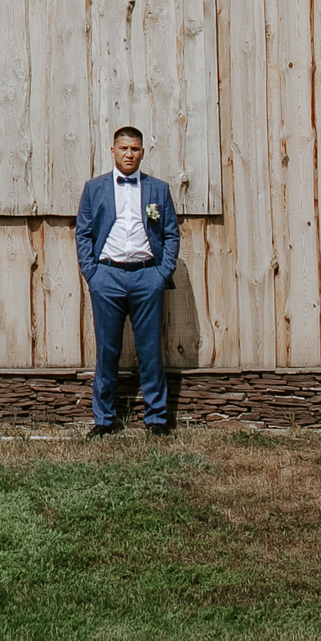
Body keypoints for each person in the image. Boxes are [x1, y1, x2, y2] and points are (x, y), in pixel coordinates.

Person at [74, 126, 180, 436]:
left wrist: (162, 273)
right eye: (123, 149)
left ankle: (157, 419)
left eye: (135, 149)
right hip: (107, 276)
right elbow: (83, 232)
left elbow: (171, 233)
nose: (129, 154)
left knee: (150, 350)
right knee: (107, 350)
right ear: (113, 151)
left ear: (142, 152)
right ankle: (104, 420)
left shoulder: (158, 189)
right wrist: (92, 273)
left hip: (148, 275)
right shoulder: (95, 189)